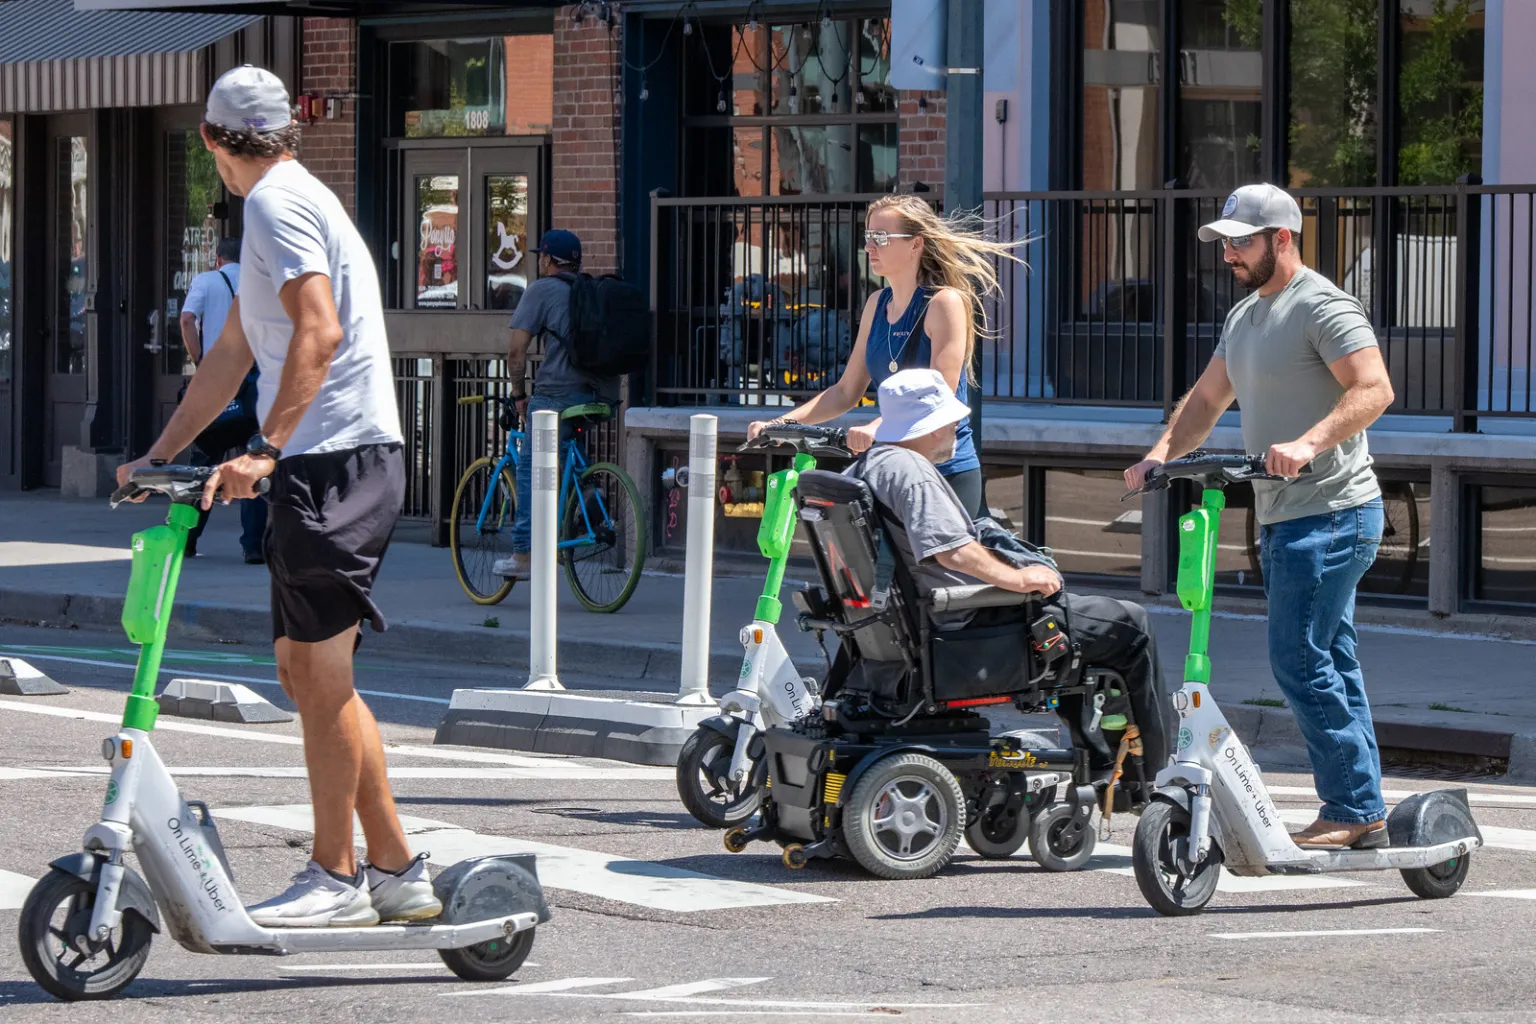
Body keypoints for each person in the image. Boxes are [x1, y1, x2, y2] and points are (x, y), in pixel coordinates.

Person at [117, 65, 437, 926]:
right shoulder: (288, 199)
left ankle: (336, 877)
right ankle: (399, 870)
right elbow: (229, 358)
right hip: (325, 457)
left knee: (322, 675)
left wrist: (264, 448)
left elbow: (320, 329)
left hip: (336, 456)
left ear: (213, 140)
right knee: (304, 672)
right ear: (286, 129)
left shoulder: (274, 205)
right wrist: (156, 453)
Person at [1124, 183, 1395, 850]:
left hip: (1333, 511)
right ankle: (1362, 807)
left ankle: (1354, 807)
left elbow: (1375, 386)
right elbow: (1207, 400)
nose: (1229, 256)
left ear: (1281, 238)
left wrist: (1308, 443)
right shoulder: (1245, 317)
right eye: (1225, 244)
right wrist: (1159, 455)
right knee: (1329, 658)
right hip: (1284, 516)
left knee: (1299, 659)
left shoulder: (1323, 306)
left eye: (1240, 243)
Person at [855, 368, 1172, 789]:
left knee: (1080, 630)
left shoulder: (864, 468)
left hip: (908, 626)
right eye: (952, 420)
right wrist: (1019, 580)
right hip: (962, 624)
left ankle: (1099, 757)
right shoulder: (911, 473)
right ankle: (1152, 777)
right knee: (1131, 625)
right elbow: (954, 550)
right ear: (930, 427)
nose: (957, 427)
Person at [747, 194, 1020, 519]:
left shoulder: (943, 303)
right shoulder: (877, 303)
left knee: (926, 569)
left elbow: (938, 392)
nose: (869, 247)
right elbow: (846, 392)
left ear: (915, 244)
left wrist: (878, 425)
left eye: (881, 238)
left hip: (944, 470)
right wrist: (782, 423)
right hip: (894, 470)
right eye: (868, 237)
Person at [492, 229, 617, 580]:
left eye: (540, 257)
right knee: (569, 456)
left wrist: (519, 396)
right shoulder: (590, 290)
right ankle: (590, 506)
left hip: (557, 397)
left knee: (532, 470)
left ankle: (523, 554)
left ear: (547, 260)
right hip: (600, 396)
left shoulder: (541, 290)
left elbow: (516, 352)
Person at [179, 236, 267, 563]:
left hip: (216, 386)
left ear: (218, 259)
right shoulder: (259, 283)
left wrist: (200, 359)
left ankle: (186, 539)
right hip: (252, 386)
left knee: (202, 462)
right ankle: (253, 547)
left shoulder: (206, 281)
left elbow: (187, 319)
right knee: (254, 463)